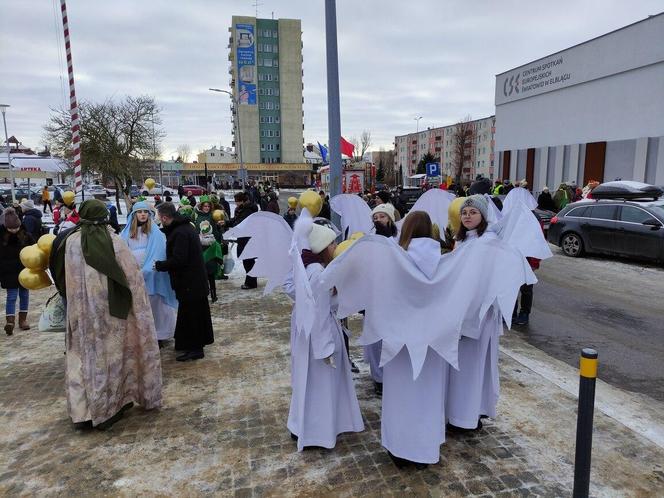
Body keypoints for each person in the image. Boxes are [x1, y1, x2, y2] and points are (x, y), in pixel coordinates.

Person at [51, 199, 162, 429]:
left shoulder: (70, 242)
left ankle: (83, 412)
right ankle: (109, 409)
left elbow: (61, 276)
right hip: (112, 315)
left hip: (81, 315)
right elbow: (133, 279)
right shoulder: (114, 242)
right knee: (110, 359)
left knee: (83, 358)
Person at [379, 211, 448, 468]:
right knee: (427, 395)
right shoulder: (442, 260)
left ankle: (400, 448)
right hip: (431, 339)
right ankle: (425, 448)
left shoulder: (398, 259)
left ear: (405, 229)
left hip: (400, 339)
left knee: (401, 395)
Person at [287, 222, 364, 450]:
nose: (336, 245)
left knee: (306, 380)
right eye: (332, 243)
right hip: (319, 335)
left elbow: (289, 287)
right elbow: (320, 313)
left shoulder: (306, 268)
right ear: (322, 247)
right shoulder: (320, 273)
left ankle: (301, 425)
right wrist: (326, 348)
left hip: (304, 333)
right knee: (321, 383)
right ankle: (318, 432)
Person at [446, 195, 503, 433]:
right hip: (462, 310)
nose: (467, 216)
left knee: (470, 367)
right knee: (462, 367)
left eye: (473, 212)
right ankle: (464, 412)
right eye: (465, 212)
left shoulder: (486, 242)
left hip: (477, 313)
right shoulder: (466, 240)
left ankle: (466, 418)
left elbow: (480, 280)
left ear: (483, 216)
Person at [155, 202, 214, 361]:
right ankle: (188, 344)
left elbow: (179, 260)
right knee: (190, 314)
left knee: (193, 315)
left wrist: (160, 265)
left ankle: (196, 349)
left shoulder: (180, 233)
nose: (159, 221)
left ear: (165, 217)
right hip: (193, 281)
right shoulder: (184, 227)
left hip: (190, 282)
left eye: (159, 218)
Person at [119, 201, 177, 347]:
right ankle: (141, 335)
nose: (143, 214)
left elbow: (159, 252)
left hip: (153, 276)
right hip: (133, 275)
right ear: (134, 214)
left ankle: (159, 335)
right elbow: (121, 252)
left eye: (145, 212)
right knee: (138, 307)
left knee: (156, 306)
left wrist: (148, 269)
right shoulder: (126, 233)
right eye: (139, 212)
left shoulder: (155, 232)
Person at [0, 208, 35, 335]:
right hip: (8, 272)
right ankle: (10, 321)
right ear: (6, 226)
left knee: (24, 295)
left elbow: (34, 250)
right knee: (12, 296)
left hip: (24, 271)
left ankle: (23, 320)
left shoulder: (26, 235)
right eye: (11, 228)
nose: (14, 230)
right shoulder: (1, 237)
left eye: (16, 228)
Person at [227, 192, 259, 289]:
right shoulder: (242, 209)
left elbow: (240, 223)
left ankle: (251, 283)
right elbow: (236, 220)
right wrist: (226, 222)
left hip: (247, 239)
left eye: (237, 201)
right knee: (248, 261)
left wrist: (229, 224)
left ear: (242, 201)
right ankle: (251, 281)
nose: (236, 203)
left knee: (248, 261)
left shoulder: (247, 210)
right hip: (244, 238)